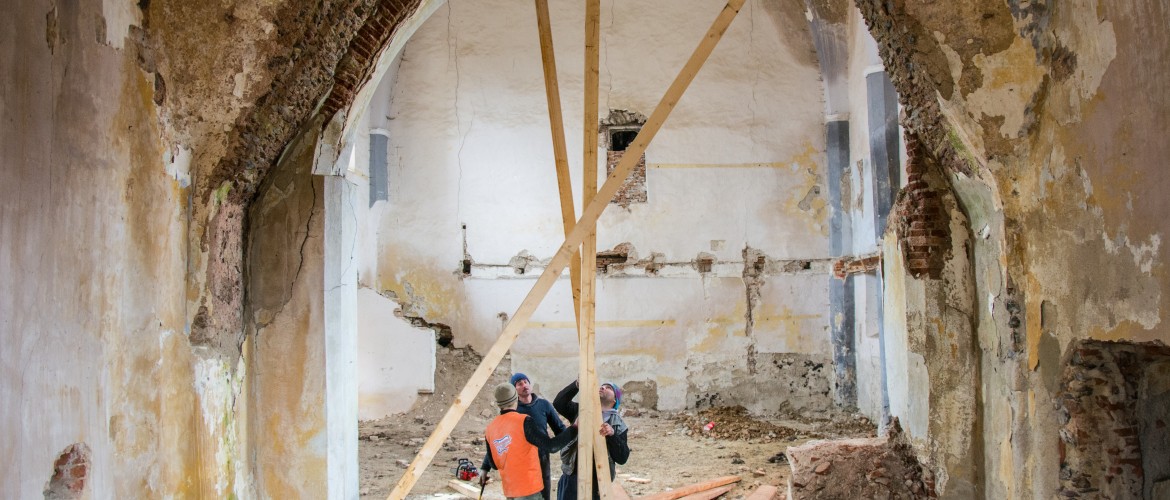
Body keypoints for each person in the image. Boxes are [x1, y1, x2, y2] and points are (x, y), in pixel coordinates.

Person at [482, 382, 578, 500]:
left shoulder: (491, 428)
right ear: (516, 399)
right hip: (529, 490)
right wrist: (574, 428)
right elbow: (551, 446)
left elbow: (493, 464)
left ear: (498, 404)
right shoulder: (523, 421)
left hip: (510, 491)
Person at [552, 379, 630, 500]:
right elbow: (559, 403)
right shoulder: (581, 411)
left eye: (609, 388)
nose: (603, 388)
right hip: (572, 476)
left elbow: (622, 458)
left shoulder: (619, 425)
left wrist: (612, 435)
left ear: (615, 400)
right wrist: (576, 385)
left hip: (598, 482)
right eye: (602, 386)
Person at [512, 373, 567, 500]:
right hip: (522, 459)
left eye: (526, 382)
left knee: (544, 492)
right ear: (514, 390)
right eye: (519, 384)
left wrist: (569, 442)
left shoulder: (544, 405)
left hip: (542, 456)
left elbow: (559, 428)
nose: (524, 385)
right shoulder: (514, 409)